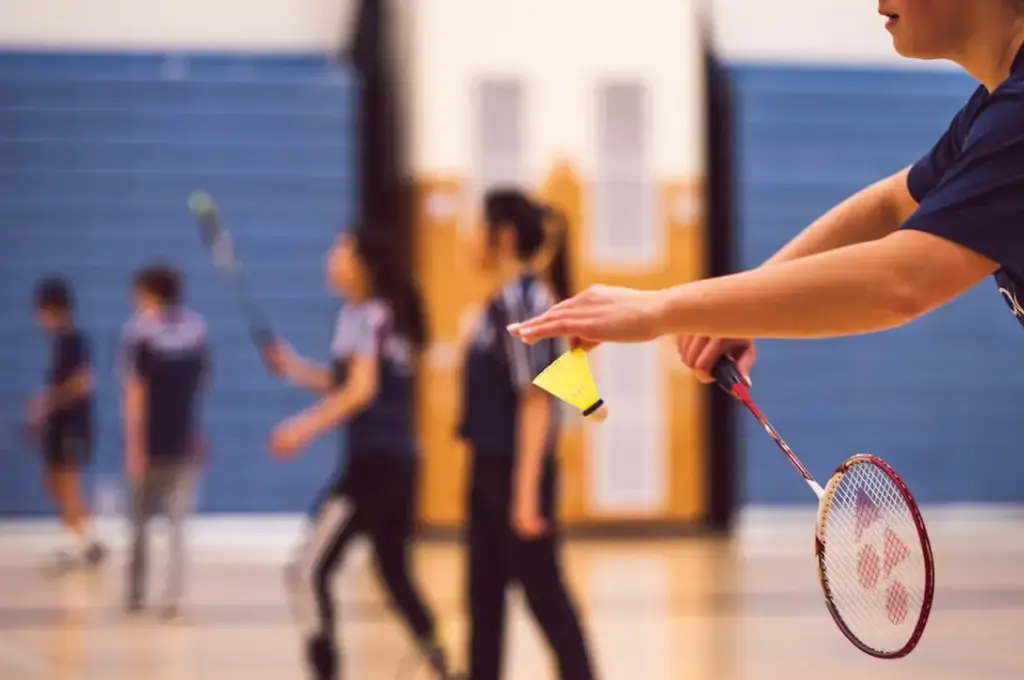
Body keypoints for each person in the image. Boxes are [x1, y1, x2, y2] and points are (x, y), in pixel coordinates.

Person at [509, 0, 1024, 380]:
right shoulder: (992, 112)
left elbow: (902, 281)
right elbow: (891, 204)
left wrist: (658, 309)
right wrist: (734, 308)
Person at [266, 228, 452, 680]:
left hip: (372, 468)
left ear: (362, 265)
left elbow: (361, 391)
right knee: (392, 569)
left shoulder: (362, 315)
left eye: (339, 250)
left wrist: (302, 428)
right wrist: (293, 368)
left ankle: (325, 671)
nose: (330, 258)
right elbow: (349, 382)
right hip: (402, 464)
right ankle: (440, 660)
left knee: (306, 570)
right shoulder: (388, 316)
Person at [458, 188, 597, 680]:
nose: (468, 237)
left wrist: (523, 497)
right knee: (483, 602)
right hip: (488, 471)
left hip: (517, 475)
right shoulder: (495, 302)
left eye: (478, 225)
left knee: (545, 596)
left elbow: (536, 400)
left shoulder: (526, 299)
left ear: (504, 235)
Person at [120, 264, 210, 620]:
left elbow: (135, 391)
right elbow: (198, 389)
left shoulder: (138, 333)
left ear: (149, 293)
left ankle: (136, 594)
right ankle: (171, 597)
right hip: (183, 441)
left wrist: (134, 444)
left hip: (152, 442)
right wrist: (198, 433)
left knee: (140, 523)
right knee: (176, 524)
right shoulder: (196, 330)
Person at [27, 277, 106, 574]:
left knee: (69, 482)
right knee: (53, 480)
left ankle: (72, 545)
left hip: (73, 424)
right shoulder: (58, 344)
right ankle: (89, 540)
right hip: (58, 425)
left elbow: (83, 382)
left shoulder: (74, 340)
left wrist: (47, 401)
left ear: (53, 309)